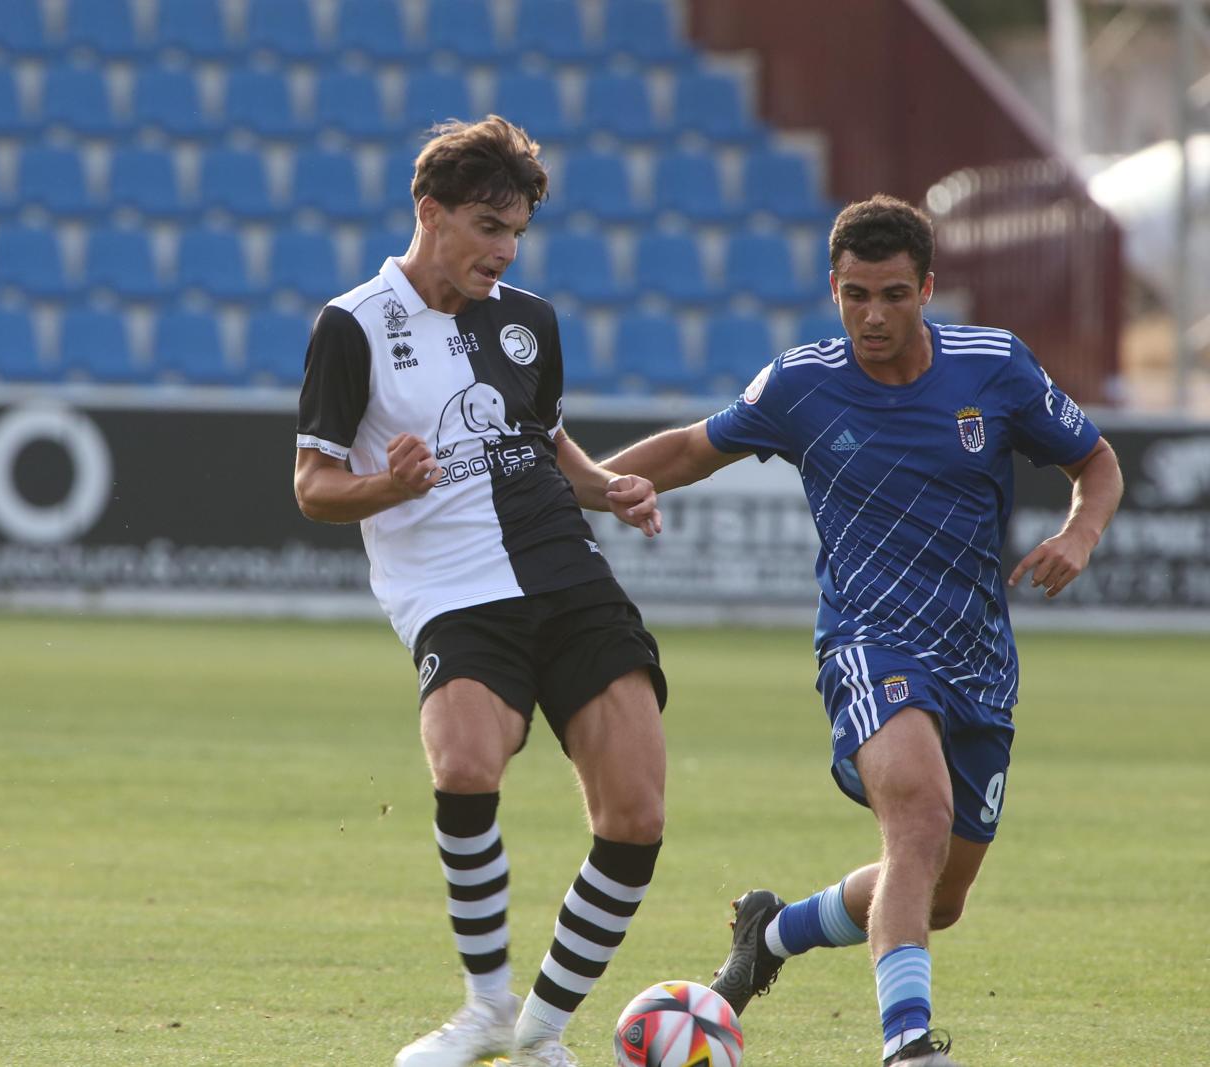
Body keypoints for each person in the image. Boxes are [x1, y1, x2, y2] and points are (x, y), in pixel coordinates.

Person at [604, 194, 1123, 1067]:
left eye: (891, 294)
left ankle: (771, 934)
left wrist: (1079, 533)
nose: (872, 315)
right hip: (868, 640)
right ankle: (909, 1046)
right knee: (917, 817)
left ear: (927, 287)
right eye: (854, 296)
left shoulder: (994, 367)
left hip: (980, 660)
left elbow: (1096, 462)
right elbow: (694, 447)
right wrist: (574, 482)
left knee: (938, 894)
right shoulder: (800, 383)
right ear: (833, 290)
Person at [294, 115, 668, 1067]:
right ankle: (485, 1008)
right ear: (431, 212)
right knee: (464, 765)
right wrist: (389, 483)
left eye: (517, 234)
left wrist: (609, 487)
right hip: (450, 591)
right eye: (489, 228)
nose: (504, 252)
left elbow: (540, 441)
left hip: (563, 567)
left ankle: (540, 1030)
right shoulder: (352, 326)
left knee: (635, 814)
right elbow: (313, 486)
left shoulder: (530, 320)